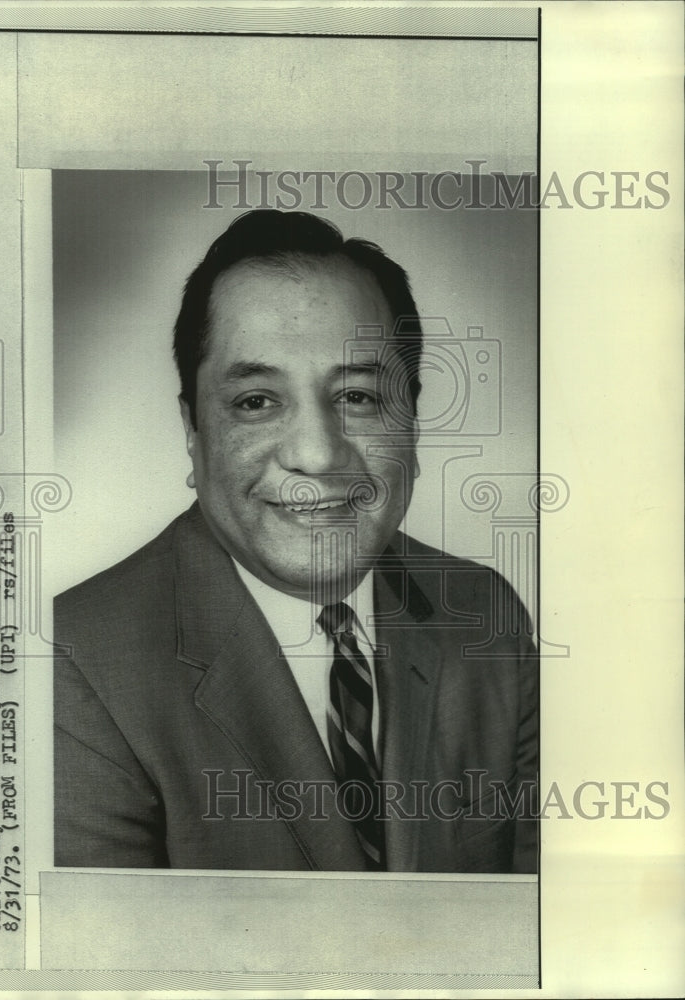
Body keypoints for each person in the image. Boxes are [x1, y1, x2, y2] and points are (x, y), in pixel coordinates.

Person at [54, 209, 538, 872]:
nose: (316, 454)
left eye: (358, 397)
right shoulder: (71, 667)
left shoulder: (485, 614)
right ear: (193, 431)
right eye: (256, 401)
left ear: (413, 421)